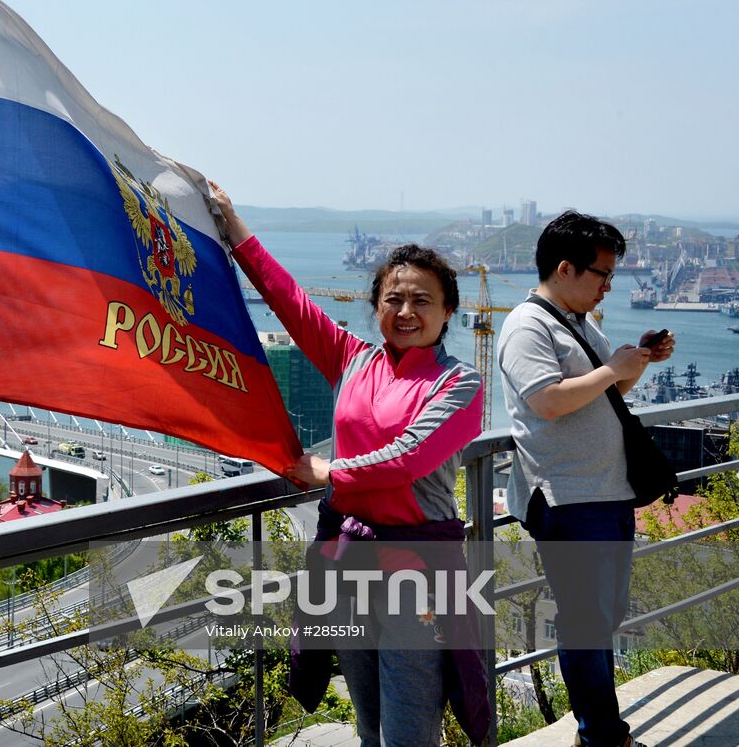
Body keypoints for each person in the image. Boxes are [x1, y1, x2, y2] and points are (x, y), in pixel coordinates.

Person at [212, 183, 488, 746]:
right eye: (393, 299)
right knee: (369, 722)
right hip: (349, 564)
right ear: (376, 305)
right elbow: (292, 304)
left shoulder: (460, 383)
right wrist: (234, 228)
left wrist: (328, 472)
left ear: (449, 311)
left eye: (422, 300)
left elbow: (407, 458)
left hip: (417, 573)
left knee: (409, 730)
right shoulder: (353, 360)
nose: (406, 311)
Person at [498, 211, 673, 747]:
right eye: (601, 274)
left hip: (605, 491)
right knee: (584, 624)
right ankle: (602, 735)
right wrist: (613, 370)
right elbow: (547, 401)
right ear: (566, 267)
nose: (606, 286)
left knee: (605, 615)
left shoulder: (577, 321)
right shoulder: (527, 325)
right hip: (569, 496)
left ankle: (598, 730)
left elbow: (599, 395)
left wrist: (634, 364)